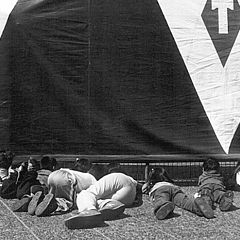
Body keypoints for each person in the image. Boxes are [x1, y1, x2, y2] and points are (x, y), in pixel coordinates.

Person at [64, 170, 138, 229]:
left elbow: (89, 193)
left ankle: (88, 210)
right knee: (94, 200)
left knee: (85, 193)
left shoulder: (92, 178)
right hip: (130, 196)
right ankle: (110, 204)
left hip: (120, 179)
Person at [142, 167, 214, 221]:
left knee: (161, 198)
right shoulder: (170, 183)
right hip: (174, 189)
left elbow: (143, 189)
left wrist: (148, 182)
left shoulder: (154, 185)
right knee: (184, 201)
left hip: (161, 189)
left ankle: (162, 205)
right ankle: (197, 207)